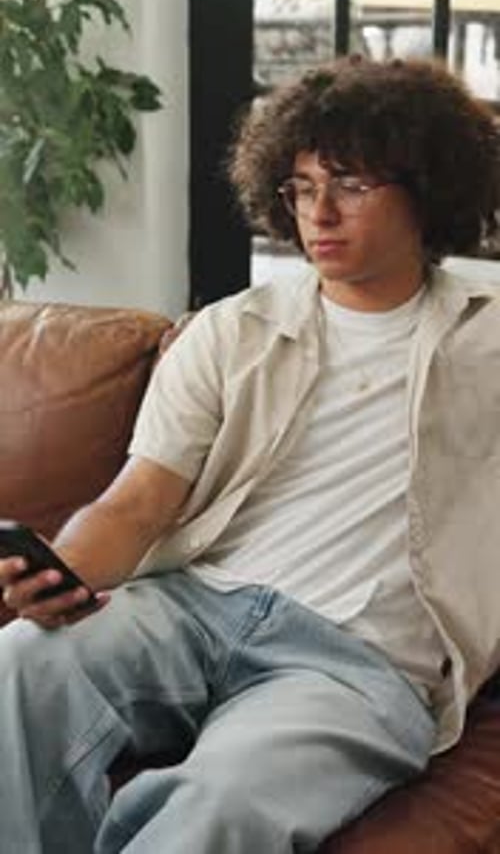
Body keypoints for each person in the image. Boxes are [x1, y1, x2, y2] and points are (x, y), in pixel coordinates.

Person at [1, 54, 499, 854]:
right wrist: (61, 572)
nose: (319, 213)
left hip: (356, 663)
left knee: (220, 800)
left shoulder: (491, 341)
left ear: (428, 190)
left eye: (351, 185)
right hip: (195, 606)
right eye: (301, 188)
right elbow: (137, 502)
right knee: (20, 662)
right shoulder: (231, 332)